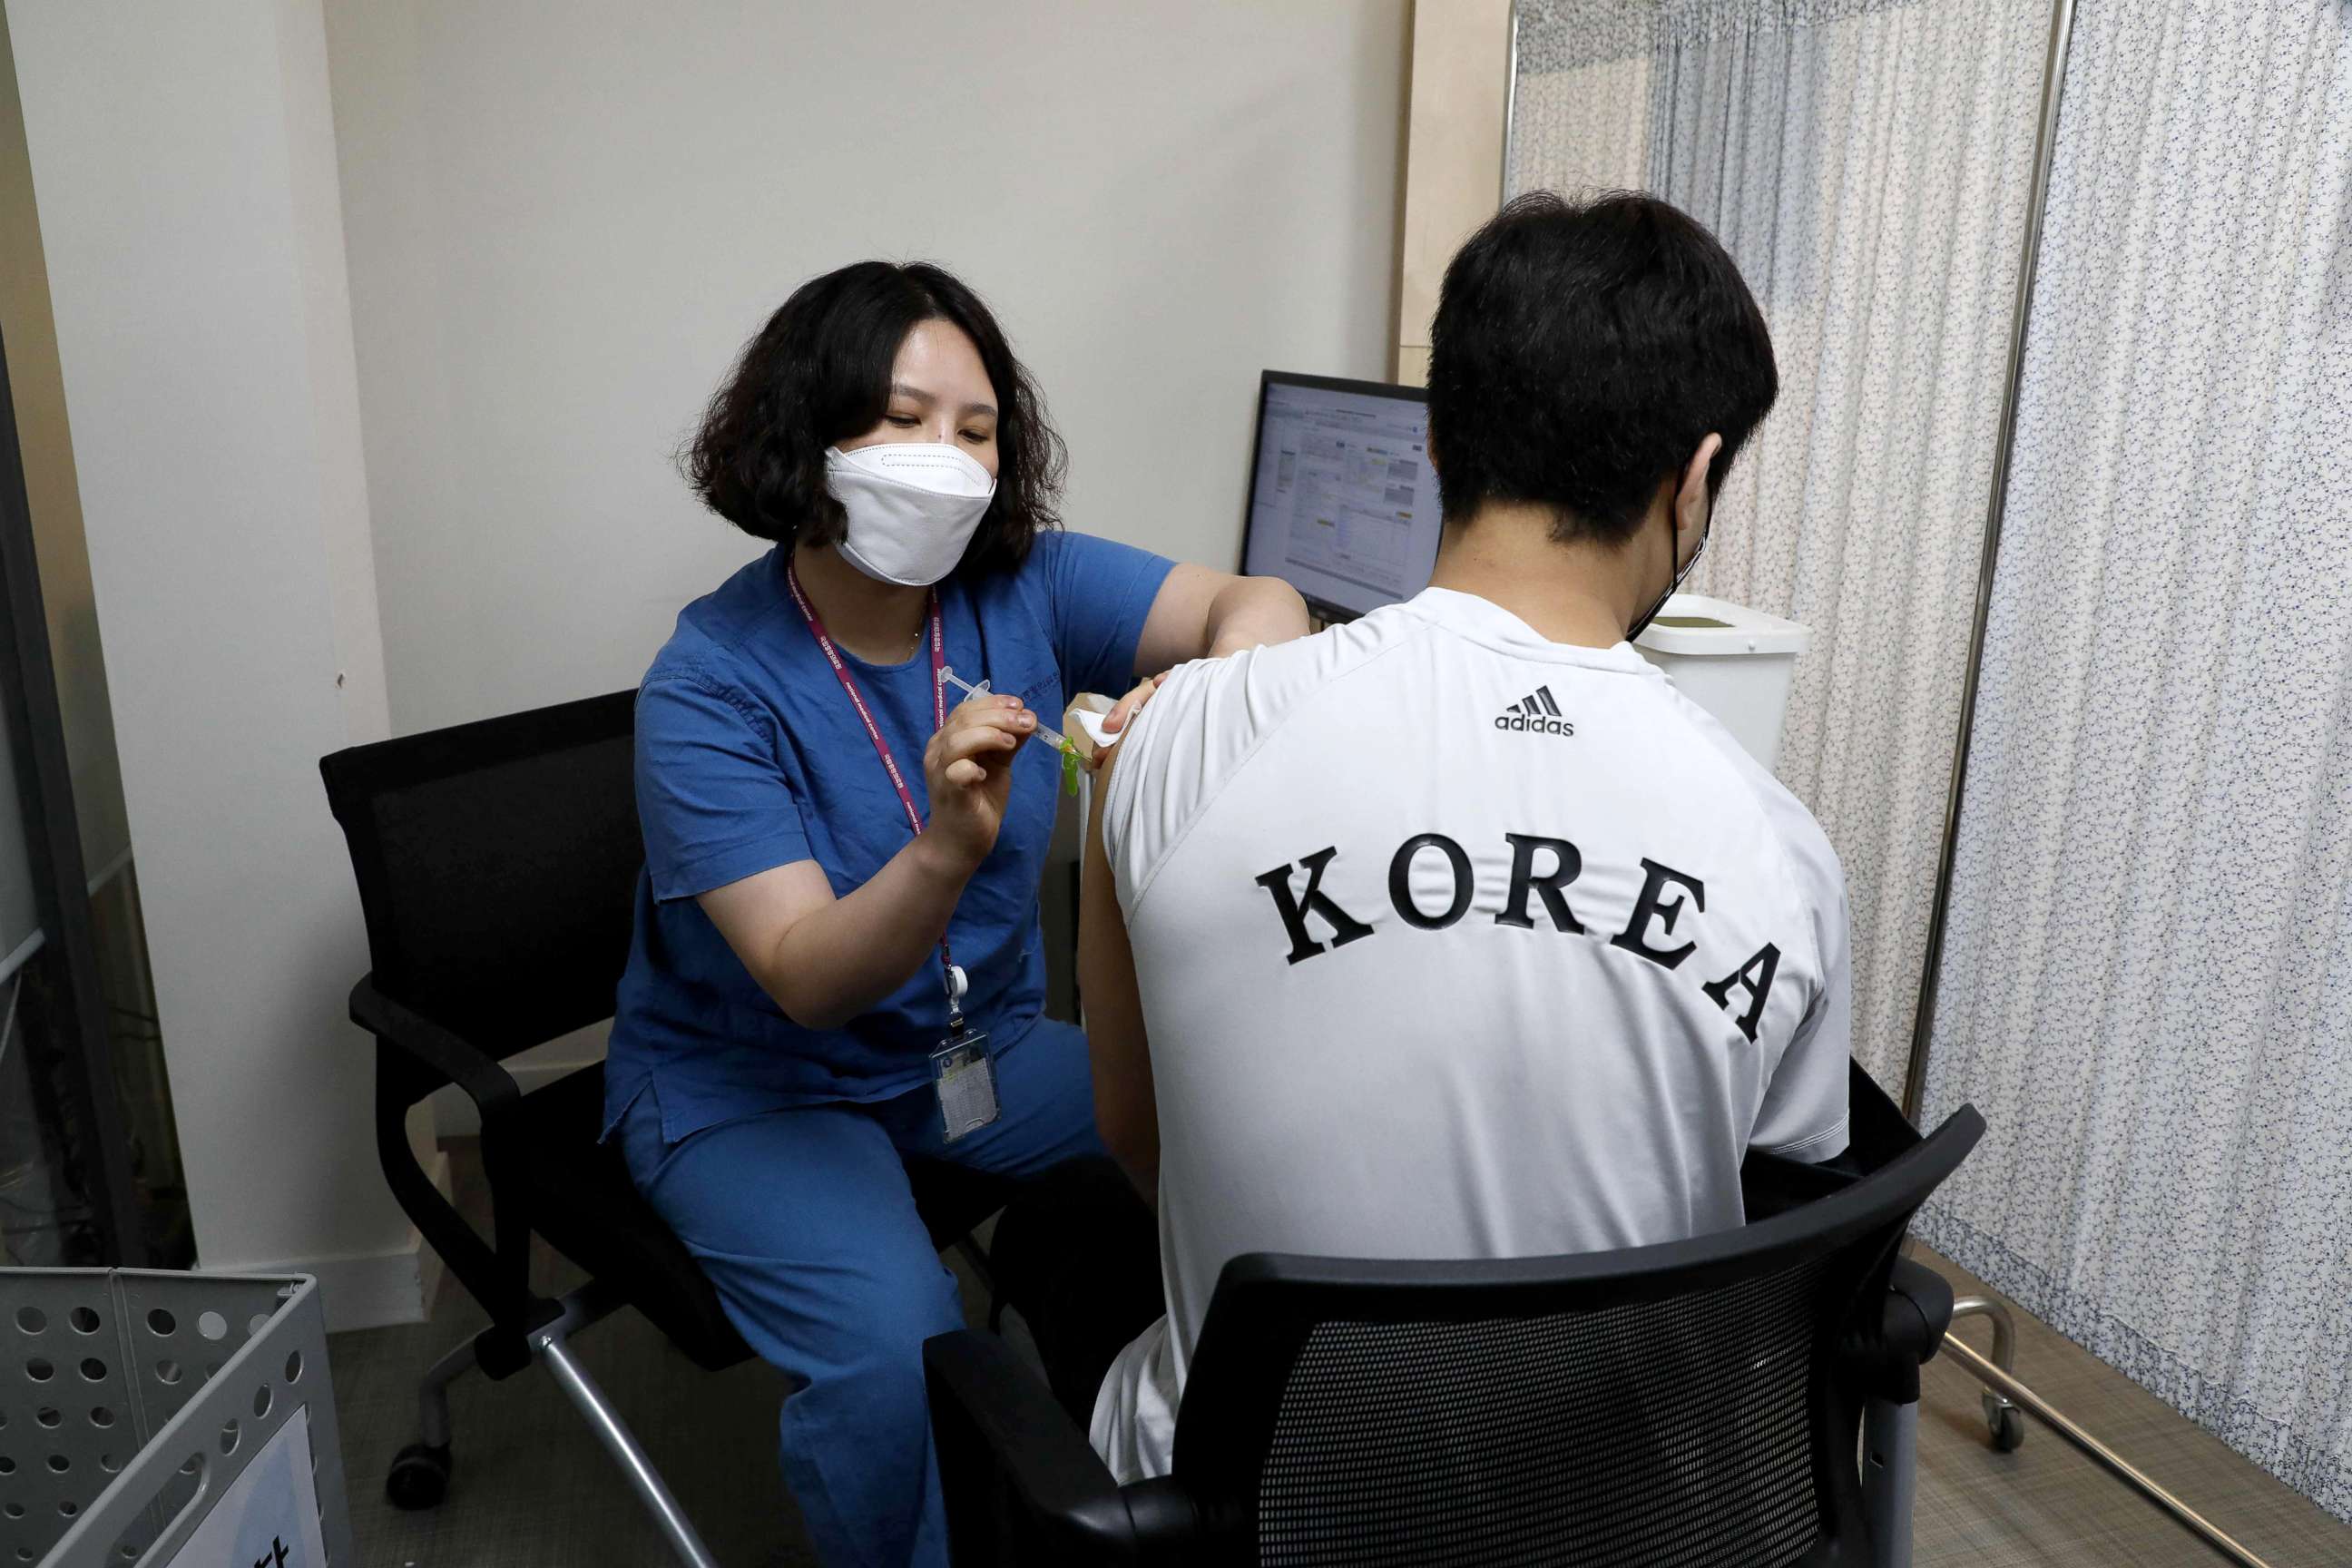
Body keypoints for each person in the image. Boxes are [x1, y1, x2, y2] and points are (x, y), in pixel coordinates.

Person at [1076, 191, 1854, 1482]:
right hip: (1621, 1526)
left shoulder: (1163, 744)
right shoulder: (1785, 854)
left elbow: (1138, 1137)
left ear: (1434, 443)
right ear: (1698, 479)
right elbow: (1768, 1235)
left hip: (1249, 1511)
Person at [604, 260, 1310, 1567]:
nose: (945, 457)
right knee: (895, 1351)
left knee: (1238, 1144)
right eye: (900, 419)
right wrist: (944, 847)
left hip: (961, 1051)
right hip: (758, 1088)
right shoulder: (707, 684)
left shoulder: (1021, 586)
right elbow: (810, 975)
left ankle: (1222, 1494)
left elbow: (1248, 601)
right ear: (805, 437)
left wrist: (1213, 693)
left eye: (975, 430)